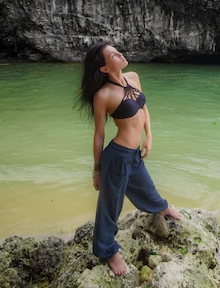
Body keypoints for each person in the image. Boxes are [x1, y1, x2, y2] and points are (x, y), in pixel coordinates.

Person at [77, 41, 181, 275]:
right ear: (104, 68)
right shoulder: (103, 95)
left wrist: (149, 136)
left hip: (133, 154)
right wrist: (97, 170)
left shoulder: (133, 77)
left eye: (117, 50)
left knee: (146, 187)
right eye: (113, 54)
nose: (120, 54)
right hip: (116, 157)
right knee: (109, 207)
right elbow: (99, 134)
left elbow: (144, 109)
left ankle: (161, 207)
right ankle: (107, 251)